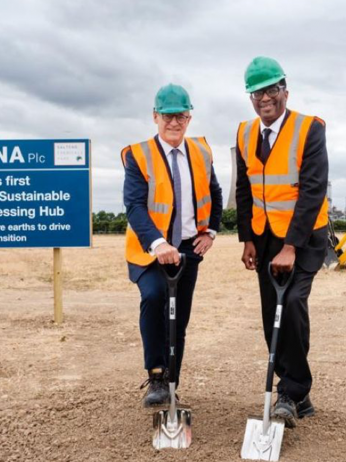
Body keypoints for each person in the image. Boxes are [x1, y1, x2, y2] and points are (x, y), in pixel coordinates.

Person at [235, 57, 329, 428]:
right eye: (257, 92)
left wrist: (291, 246)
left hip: (303, 239)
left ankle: (291, 391)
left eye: (272, 89)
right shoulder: (244, 133)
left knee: (290, 304)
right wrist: (247, 238)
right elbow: (244, 188)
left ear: (285, 91)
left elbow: (312, 190)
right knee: (269, 315)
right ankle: (297, 393)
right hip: (264, 238)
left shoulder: (310, 129)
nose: (265, 98)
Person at [122, 83, 223, 407]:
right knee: (154, 297)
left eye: (180, 116)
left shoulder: (202, 152)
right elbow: (134, 206)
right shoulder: (139, 155)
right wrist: (158, 243)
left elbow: (215, 193)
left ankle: (171, 380)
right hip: (150, 249)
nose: (174, 122)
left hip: (188, 248)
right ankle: (156, 376)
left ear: (189, 118)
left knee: (178, 317)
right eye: (167, 116)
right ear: (155, 116)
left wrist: (211, 232)